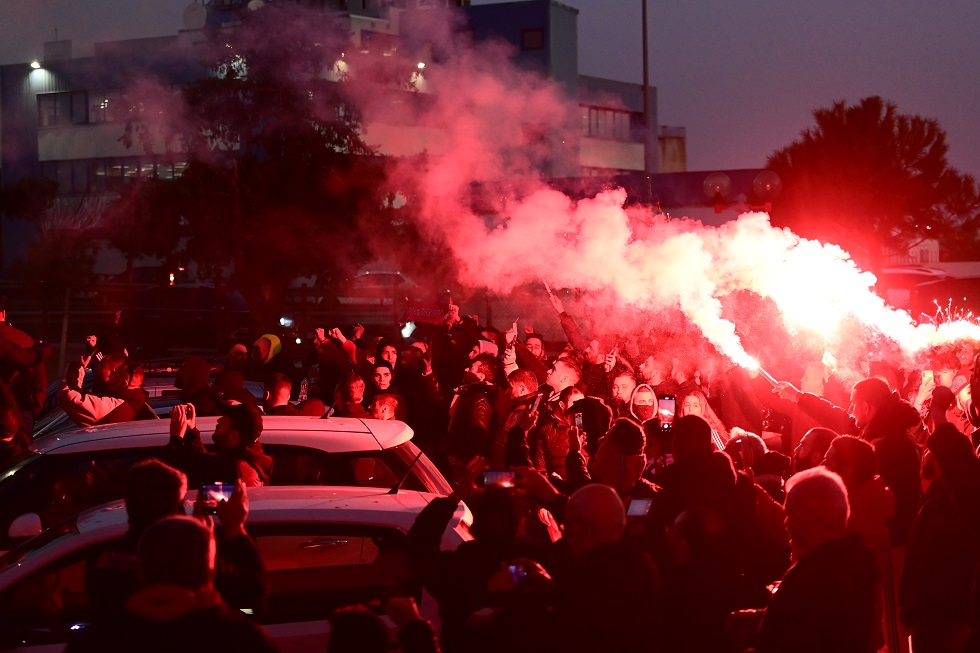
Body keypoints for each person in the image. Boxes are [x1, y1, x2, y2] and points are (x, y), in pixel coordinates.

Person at [85, 459, 267, 621]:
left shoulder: (101, 559)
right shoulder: (188, 562)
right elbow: (252, 595)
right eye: (180, 503)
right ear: (172, 511)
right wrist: (235, 528)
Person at [67, 516, 277, 653]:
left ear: (140, 571)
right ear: (212, 571)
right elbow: (254, 594)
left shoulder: (91, 644)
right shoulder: (245, 641)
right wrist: (236, 529)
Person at [754, 467, 878, 653]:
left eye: (791, 514)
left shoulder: (812, 579)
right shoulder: (855, 563)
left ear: (814, 515)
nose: (787, 523)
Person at [166, 400, 272, 487]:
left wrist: (176, 439)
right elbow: (204, 462)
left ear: (233, 435)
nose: (219, 420)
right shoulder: (245, 459)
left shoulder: (235, 471)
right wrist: (191, 430)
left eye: (225, 420)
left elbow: (178, 479)